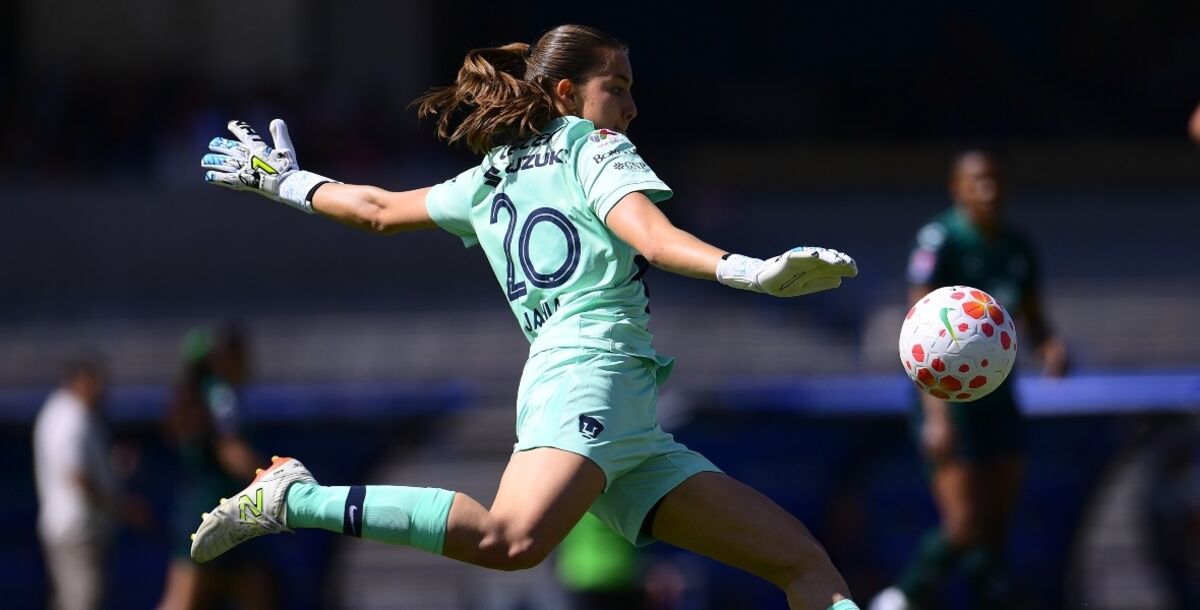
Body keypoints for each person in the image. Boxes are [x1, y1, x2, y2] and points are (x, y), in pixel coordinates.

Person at [193, 25, 861, 610]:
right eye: (617, 88)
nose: (630, 106)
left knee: (804, 565)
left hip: (620, 411)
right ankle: (294, 498)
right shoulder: (591, 146)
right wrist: (746, 268)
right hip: (588, 375)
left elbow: (377, 210)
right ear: (566, 94)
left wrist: (287, 182)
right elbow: (654, 239)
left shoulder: (488, 176)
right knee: (508, 539)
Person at [870, 151, 1068, 610]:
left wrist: (1049, 344)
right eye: (976, 181)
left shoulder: (1017, 246)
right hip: (948, 401)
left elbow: (1034, 318)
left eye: (995, 181)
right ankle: (902, 596)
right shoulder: (941, 240)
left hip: (1000, 399)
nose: (988, 190)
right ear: (956, 188)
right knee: (964, 522)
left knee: (997, 523)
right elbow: (920, 330)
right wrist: (936, 415)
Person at [158, 325, 277, 610]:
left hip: (211, 509)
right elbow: (230, 451)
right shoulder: (219, 395)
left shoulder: (193, 396)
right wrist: (271, 477)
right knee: (185, 599)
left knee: (252, 592)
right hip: (216, 509)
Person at [33, 358, 117, 610]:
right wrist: (117, 505)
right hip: (76, 529)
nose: (102, 391)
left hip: (70, 528)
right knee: (82, 601)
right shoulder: (72, 416)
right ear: (81, 380)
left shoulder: (62, 412)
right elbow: (76, 474)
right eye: (97, 383)